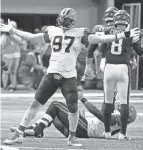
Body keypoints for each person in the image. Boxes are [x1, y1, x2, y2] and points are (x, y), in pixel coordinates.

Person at [0, 8, 140, 146]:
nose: (63, 21)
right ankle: (19, 133)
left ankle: (71, 137)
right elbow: (31, 37)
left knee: (73, 108)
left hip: (68, 76)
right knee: (37, 104)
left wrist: (121, 35)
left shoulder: (78, 32)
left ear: (72, 22)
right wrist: (12, 30)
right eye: (63, 18)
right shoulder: (55, 30)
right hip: (53, 73)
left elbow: (99, 38)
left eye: (65, 19)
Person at [91, 10, 143, 140]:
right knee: (124, 102)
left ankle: (107, 132)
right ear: (127, 21)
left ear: (115, 21)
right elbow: (139, 52)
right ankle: (122, 134)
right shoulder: (133, 33)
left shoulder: (108, 32)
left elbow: (101, 50)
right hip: (122, 69)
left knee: (108, 101)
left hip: (109, 68)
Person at [22, 86, 136, 139]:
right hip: (82, 129)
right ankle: (35, 129)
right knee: (55, 114)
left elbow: (97, 112)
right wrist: (112, 97)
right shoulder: (117, 122)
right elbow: (104, 111)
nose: (122, 106)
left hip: (85, 128)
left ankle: (37, 129)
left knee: (55, 105)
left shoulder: (116, 120)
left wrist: (82, 99)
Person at [1, 20, 21, 91]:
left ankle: (13, 86)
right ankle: (5, 86)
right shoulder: (4, 36)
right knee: (6, 71)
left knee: (14, 71)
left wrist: (12, 34)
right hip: (7, 55)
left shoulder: (16, 35)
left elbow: (19, 39)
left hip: (16, 55)